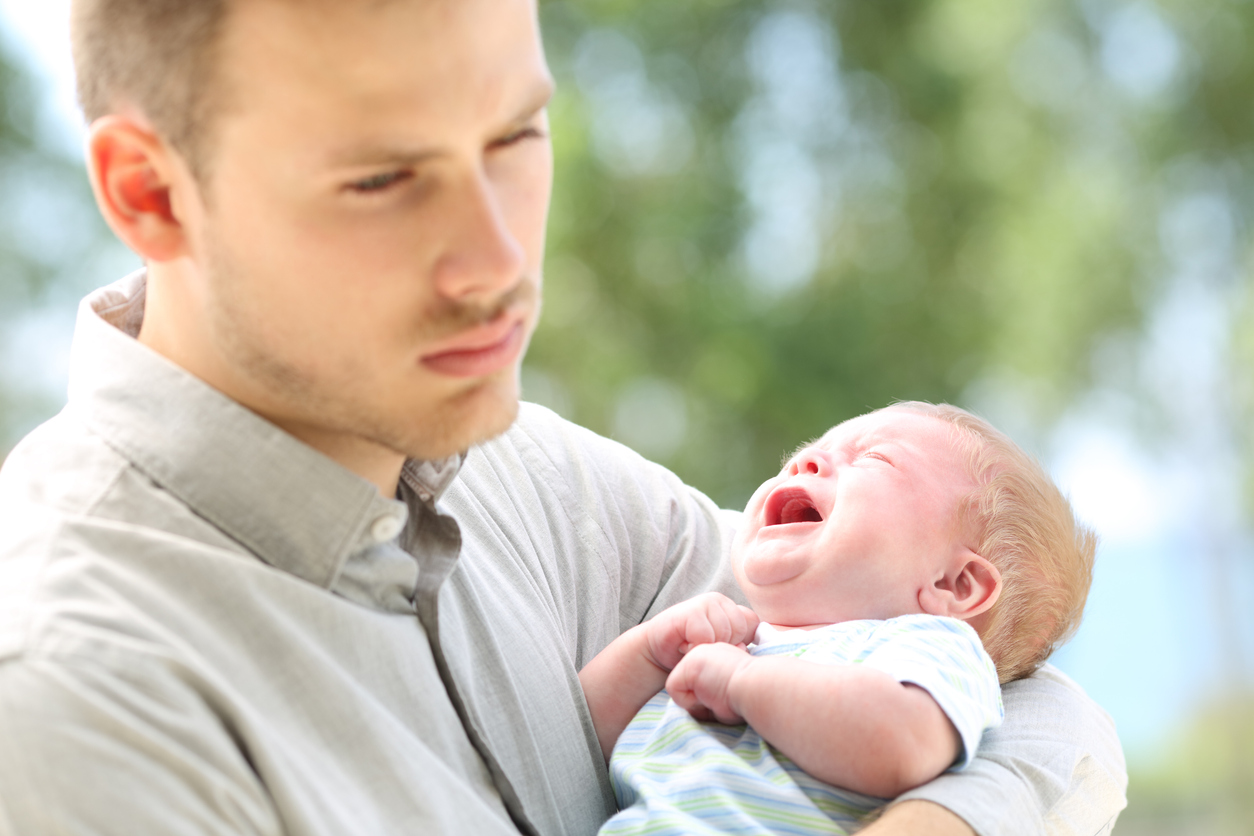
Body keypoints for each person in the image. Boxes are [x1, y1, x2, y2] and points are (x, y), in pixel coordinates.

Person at [0, 0, 1125, 833]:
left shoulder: (518, 472)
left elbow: (1025, 686)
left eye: (515, 138)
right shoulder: (73, 694)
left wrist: (951, 814)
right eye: (384, 178)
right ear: (151, 193)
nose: (497, 265)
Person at [580, 403, 1095, 834]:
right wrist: (647, 653)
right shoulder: (733, 638)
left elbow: (903, 744)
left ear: (954, 585)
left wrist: (744, 683)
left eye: (872, 458)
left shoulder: (923, 646)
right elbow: (576, 743)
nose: (806, 461)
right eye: (805, 452)